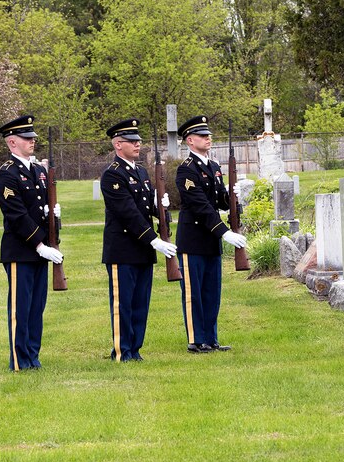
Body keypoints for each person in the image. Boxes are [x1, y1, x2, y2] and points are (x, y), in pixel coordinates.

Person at [99, 118, 174, 362]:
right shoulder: (112, 175)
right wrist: (154, 240)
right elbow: (128, 213)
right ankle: (122, 351)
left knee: (141, 303)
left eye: (139, 140)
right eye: (132, 141)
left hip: (142, 249)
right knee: (124, 304)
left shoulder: (140, 171)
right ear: (118, 145)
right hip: (123, 249)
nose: (138, 144)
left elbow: (144, 207)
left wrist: (160, 207)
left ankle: (136, 349)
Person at [0, 115, 63, 371]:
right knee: (20, 309)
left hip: (41, 251)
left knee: (36, 308)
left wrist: (55, 228)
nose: (32, 141)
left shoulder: (39, 172)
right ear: (12, 142)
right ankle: (19, 358)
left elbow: (44, 209)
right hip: (20, 251)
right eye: (26, 138)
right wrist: (39, 244)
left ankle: (33, 356)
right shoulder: (7, 174)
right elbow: (16, 214)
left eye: (32, 137)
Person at [174, 115, 247, 353]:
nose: (208, 139)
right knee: (194, 293)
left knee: (211, 292)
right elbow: (200, 206)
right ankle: (197, 340)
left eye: (209, 135)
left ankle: (211, 338)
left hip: (210, 239)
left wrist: (234, 197)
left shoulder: (214, 167)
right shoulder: (186, 170)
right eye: (203, 136)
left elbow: (220, 203)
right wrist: (224, 232)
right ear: (190, 140)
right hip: (193, 239)